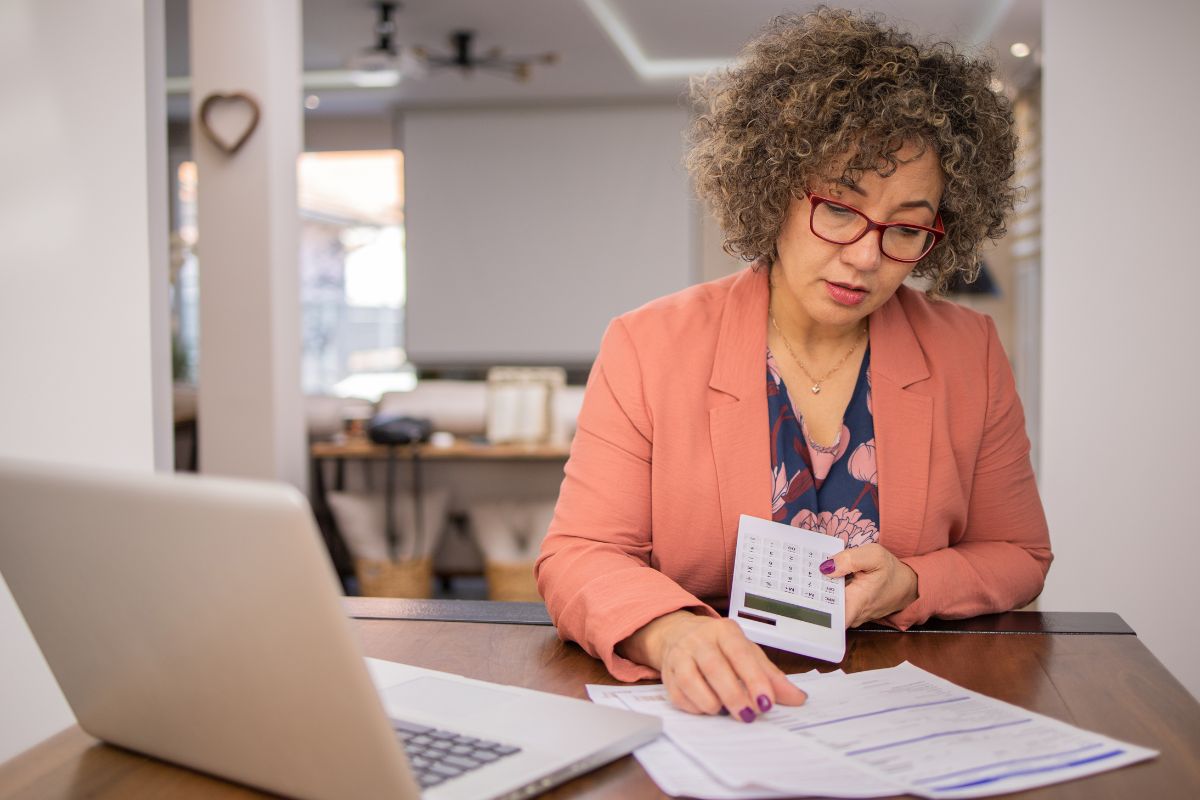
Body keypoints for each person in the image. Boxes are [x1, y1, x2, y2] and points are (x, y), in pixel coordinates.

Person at [535, 7, 1051, 724]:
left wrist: (914, 582)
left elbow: (1020, 553)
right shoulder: (649, 345)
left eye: (905, 228)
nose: (867, 256)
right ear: (773, 187)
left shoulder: (969, 352)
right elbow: (579, 554)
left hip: (901, 713)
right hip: (710, 711)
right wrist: (672, 633)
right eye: (839, 209)